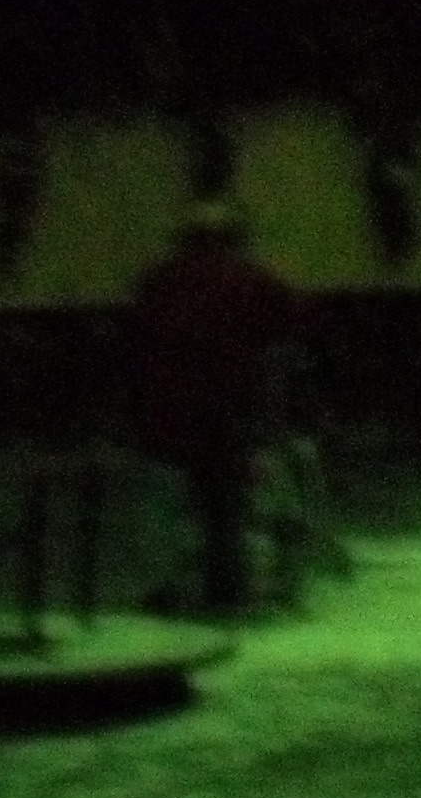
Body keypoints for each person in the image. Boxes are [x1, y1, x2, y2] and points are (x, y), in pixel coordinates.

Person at [127, 200, 311, 617]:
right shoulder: (254, 279)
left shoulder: (159, 278)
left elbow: (134, 339)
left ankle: (165, 587)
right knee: (226, 503)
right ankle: (226, 584)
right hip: (230, 409)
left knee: (164, 502)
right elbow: (288, 333)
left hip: (165, 409)